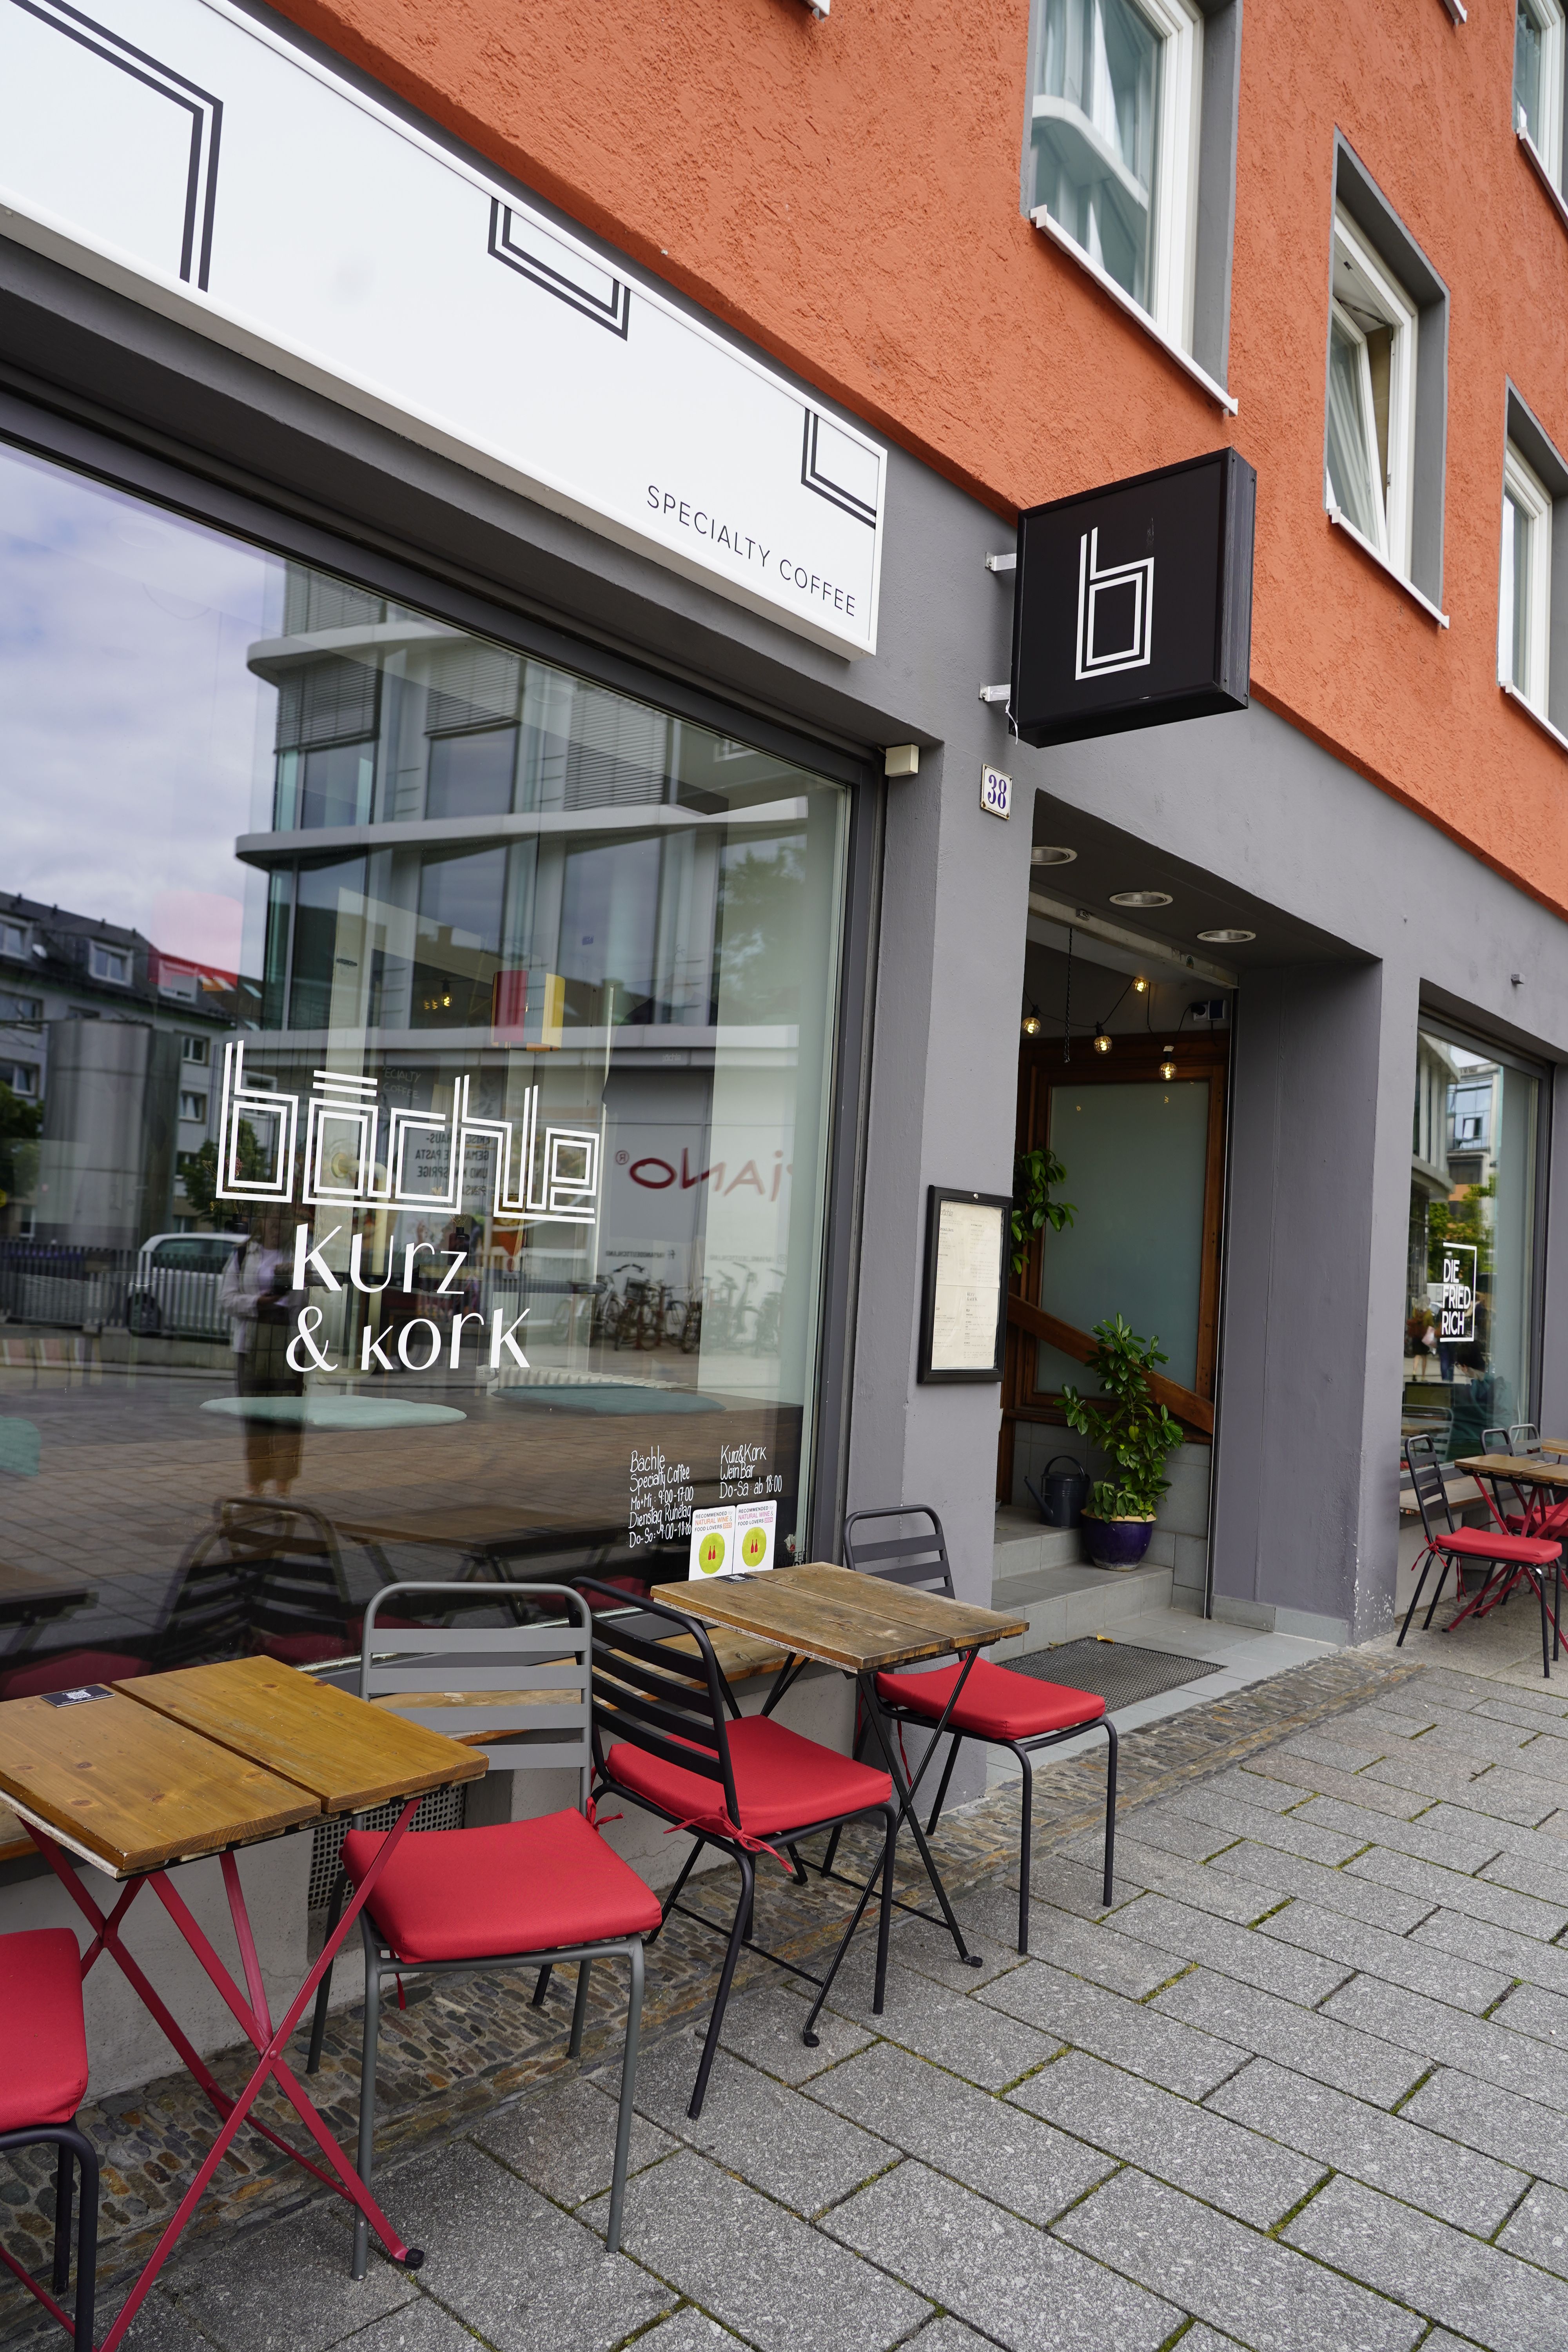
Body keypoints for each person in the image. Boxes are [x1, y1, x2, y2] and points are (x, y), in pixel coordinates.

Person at [219, 1207, 305, 1494]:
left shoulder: (300, 1254)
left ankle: (283, 1486)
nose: (277, 1227)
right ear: (263, 1223)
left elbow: (321, 1292)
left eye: (284, 1221)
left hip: (291, 1340)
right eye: (272, 1221)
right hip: (252, 1341)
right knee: (255, 1416)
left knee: (288, 1417)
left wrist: (300, 1278)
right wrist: (259, 1302)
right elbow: (228, 1299)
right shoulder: (244, 1254)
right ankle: (255, 1484)